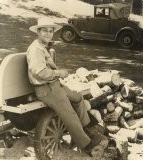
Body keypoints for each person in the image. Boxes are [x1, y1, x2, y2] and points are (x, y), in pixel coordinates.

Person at [26, 17, 107, 156]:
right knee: (69, 113)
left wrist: (57, 76)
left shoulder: (41, 47)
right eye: (44, 31)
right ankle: (86, 144)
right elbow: (39, 73)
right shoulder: (35, 49)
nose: (48, 33)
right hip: (46, 89)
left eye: (50, 31)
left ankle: (86, 128)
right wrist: (59, 72)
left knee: (77, 98)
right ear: (38, 32)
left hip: (53, 85)